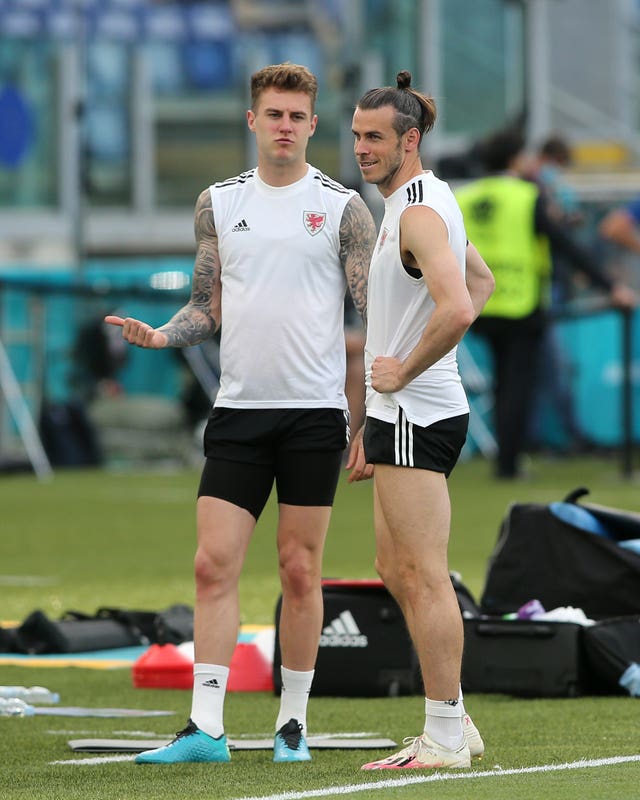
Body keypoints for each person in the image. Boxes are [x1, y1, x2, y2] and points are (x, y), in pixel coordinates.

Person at [105, 62, 377, 765]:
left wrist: (373, 409)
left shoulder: (344, 206)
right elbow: (206, 305)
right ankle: (206, 728)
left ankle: (292, 724)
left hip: (314, 414)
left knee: (298, 571)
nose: (285, 127)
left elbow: (377, 313)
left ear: (313, 125)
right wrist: (163, 336)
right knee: (211, 565)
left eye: (297, 116)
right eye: (273, 115)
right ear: (252, 121)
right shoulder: (218, 204)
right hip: (240, 413)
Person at [347, 70, 495, 770]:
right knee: (394, 566)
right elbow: (482, 281)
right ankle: (455, 719)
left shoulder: (418, 211)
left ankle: (442, 735)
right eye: (355, 136)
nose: (361, 148)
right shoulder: (415, 202)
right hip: (397, 413)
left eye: (375, 137)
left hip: (414, 412)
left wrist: (405, 373)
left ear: (410, 139)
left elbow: (461, 306)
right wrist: (373, 414)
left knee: (423, 573)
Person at [455, 127, 636, 479]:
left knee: (502, 381)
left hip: (479, 302)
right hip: (521, 302)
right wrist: (609, 284)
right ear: (513, 159)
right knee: (517, 384)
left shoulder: (465, 196)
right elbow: (565, 246)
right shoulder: (526, 195)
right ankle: (508, 463)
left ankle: (507, 458)